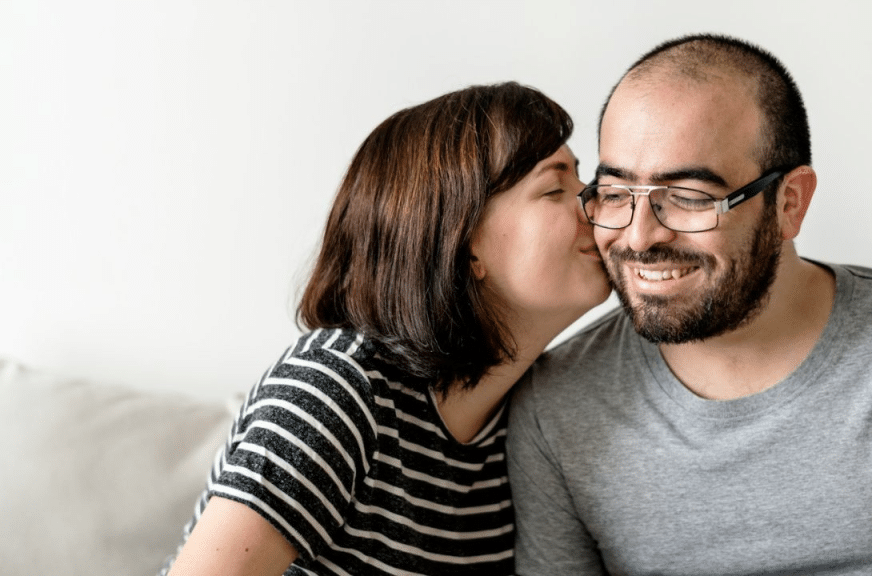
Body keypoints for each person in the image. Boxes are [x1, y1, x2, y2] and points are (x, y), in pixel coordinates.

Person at [507, 34, 872, 575]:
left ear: (789, 203)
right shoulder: (554, 403)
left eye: (688, 197)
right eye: (615, 194)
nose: (639, 237)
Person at [162, 82, 610, 576]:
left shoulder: (533, 418)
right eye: (554, 189)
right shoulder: (335, 388)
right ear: (462, 242)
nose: (599, 204)